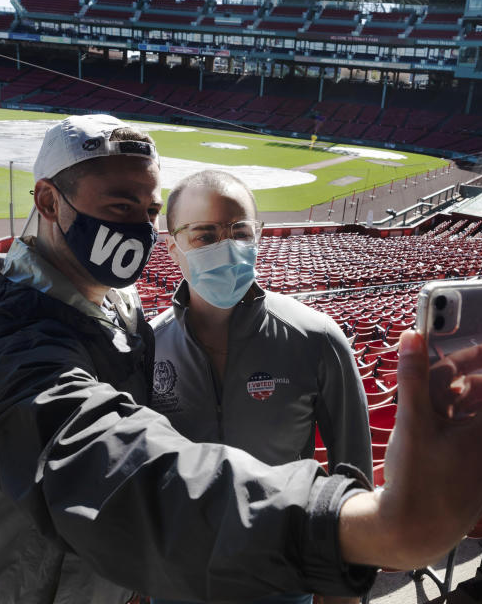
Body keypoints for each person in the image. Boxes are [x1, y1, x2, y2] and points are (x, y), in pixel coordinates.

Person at [0, 114, 482, 604]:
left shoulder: (122, 308)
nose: (136, 229)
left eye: (148, 212)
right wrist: (370, 530)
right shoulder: (3, 341)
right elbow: (120, 470)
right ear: (46, 199)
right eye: (119, 207)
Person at [151, 171, 373, 604]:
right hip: (178, 584)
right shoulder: (148, 345)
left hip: (281, 585)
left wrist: (344, 588)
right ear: (171, 244)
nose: (228, 246)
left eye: (240, 231)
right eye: (205, 234)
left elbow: (355, 475)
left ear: (259, 235)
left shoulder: (318, 338)